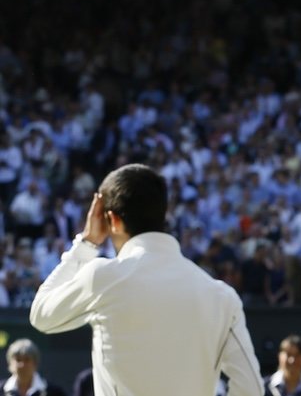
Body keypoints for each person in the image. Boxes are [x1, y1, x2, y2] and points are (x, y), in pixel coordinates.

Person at [29, 164, 264, 395]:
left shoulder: (103, 278)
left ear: (112, 220)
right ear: (163, 213)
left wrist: (87, 243)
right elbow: (251, 388)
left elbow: (41, 314)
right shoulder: (221, 296)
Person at [0, 338, 66, 396]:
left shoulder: (55, 392)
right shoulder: (1, 389)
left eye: (27, 360)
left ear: (35, 363)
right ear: (10, 363)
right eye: (18, 360)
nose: (22, 365)